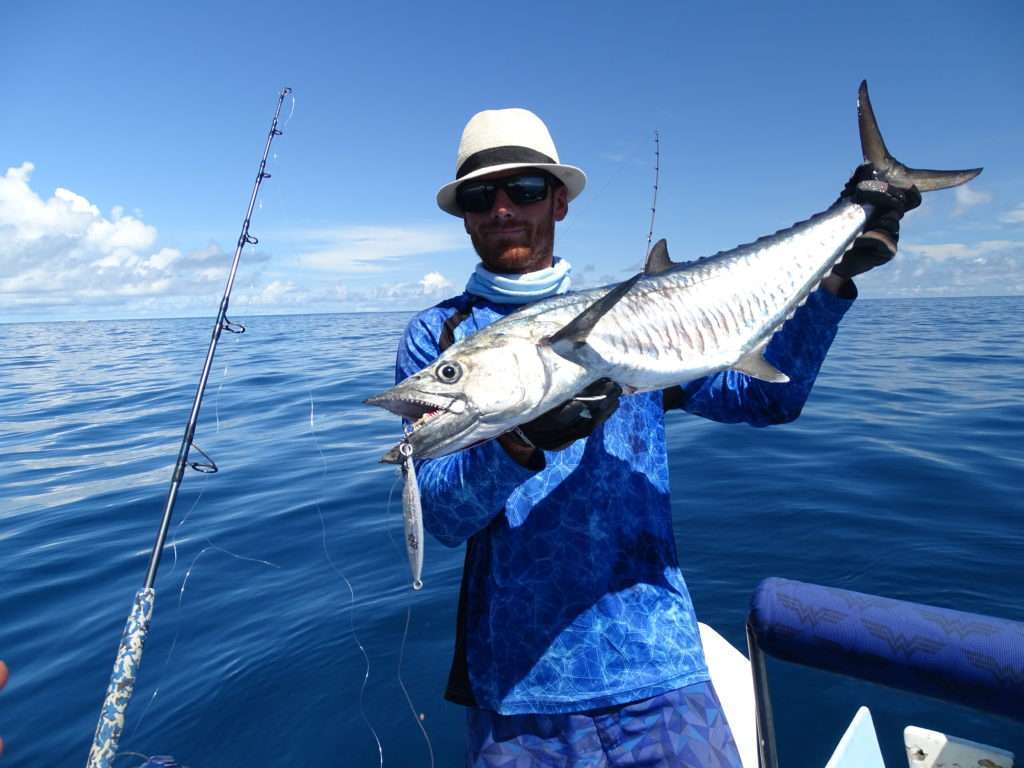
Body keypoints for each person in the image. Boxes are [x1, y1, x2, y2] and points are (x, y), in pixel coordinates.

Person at [393, 108, 918, 767]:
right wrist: (519, 443)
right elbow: (438, 513)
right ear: (464, 216)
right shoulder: (440, 341)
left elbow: (768, 397)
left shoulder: (638, 319)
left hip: (658, 672)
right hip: (520, 696)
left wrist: (834, 280)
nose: (502, 210)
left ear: (558, 202)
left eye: (523, 191)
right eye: (481, 197)